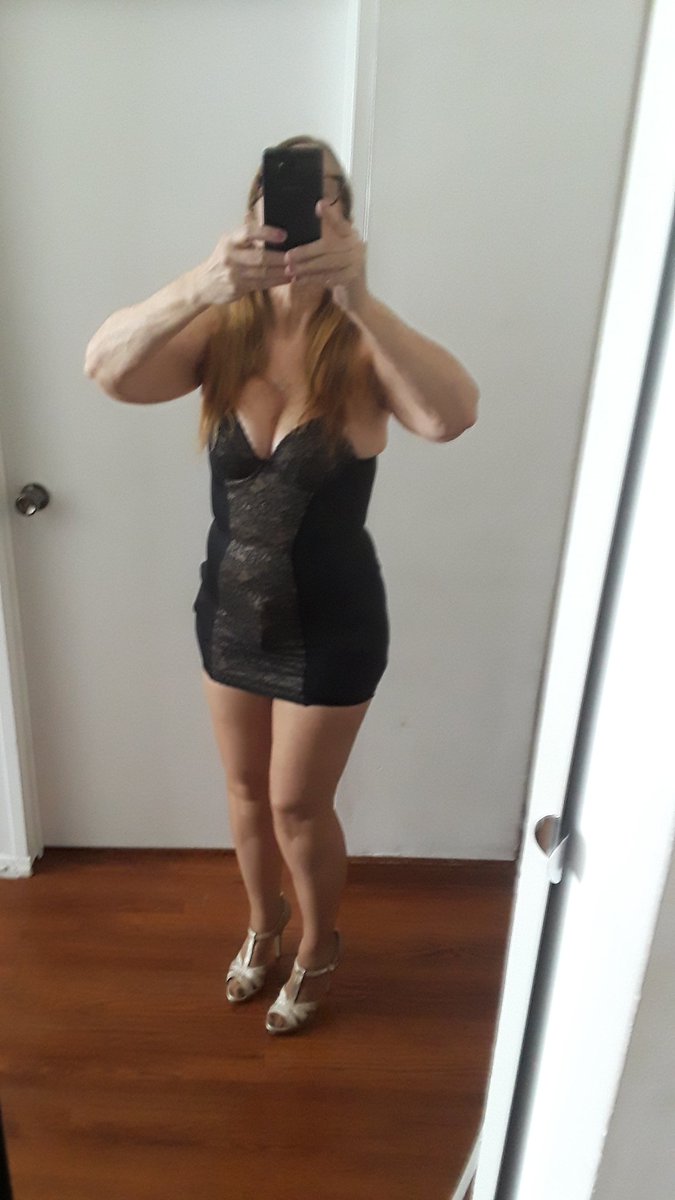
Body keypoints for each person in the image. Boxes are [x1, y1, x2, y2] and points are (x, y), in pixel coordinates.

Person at [84, 134, 479, 1036]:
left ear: (345, 216)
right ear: (255, 211)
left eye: (326, 193)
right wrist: (202, 283)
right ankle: (262, 928)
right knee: (245, 795)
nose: (304, 208)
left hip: (332, 624)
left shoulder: (361, 345)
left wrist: (359, 296)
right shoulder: (221, 335)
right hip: (227, 613)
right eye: (285, 193)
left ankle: (317, 945)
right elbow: (106, 369)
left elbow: (449, 417)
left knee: (298, 807)